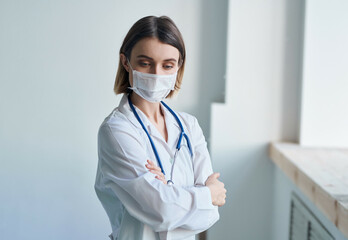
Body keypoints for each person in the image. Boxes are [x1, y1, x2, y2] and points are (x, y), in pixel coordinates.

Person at [94, 15, 227, 240]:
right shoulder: (116, 131)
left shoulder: (188, 126)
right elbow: (162, 211)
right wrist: (205, 194)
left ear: (178, 67)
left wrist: (170, 192)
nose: (156, 74)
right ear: (126, 62)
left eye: (167, 65)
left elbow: (210, 216)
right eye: (145, 63)